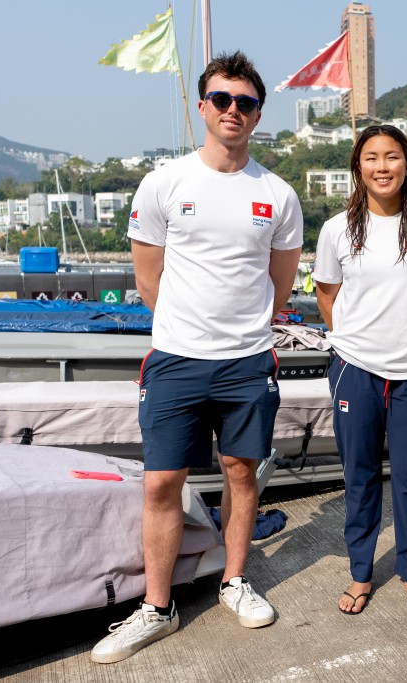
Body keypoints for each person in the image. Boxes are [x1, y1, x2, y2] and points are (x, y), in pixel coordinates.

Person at [91, 51, 303, 663]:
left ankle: (235, 580)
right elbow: (149, 279)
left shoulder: (278, 193)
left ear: (258, 114)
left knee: (241, 473)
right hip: (177, 359)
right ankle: (157, 606)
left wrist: (240, 335)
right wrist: (188, 331)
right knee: (162, 483)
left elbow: (280, 285)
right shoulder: (165, 182)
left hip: (246, 361)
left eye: (247, 102)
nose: (235, 110)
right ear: (203, 107)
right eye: (224, 100)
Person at [314, 125, 407, 614]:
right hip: (355, 369)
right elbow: (327, 295)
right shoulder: (338, 229)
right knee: (360, 475)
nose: (381, 167)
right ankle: (360, 573)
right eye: (371, 157)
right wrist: (355, 341)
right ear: (358, 167)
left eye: (391, 156)